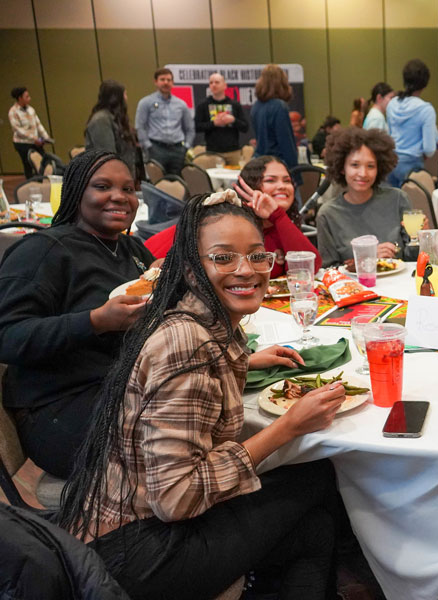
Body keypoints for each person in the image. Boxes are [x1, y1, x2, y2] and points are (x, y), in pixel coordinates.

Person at [55, 190, 346, 599]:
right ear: (191, 271)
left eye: (257, 255)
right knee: (316, 480)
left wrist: (245, 358)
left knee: (313, 514)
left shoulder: (205, 323)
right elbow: (176, 499)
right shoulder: (185, 346)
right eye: (223, 257)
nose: (247, 270)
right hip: (135, 551)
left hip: (133, 526)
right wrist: (286, 428)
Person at [0, 150, 155, 478]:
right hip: (60, 408)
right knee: (180, 443)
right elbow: (8, 337)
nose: (119, 197)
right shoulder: (43, 251)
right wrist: (96, 321)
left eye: (128, 189)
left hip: (125, 389)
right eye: (102, 186)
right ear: (75, 193)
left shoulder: (134, 250)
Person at [143, 155, 321, 276]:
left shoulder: (281, 224)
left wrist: (278, 216)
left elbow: (309, 268)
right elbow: (152, 251)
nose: (282, 186)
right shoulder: (230, 222)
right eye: (270, 180)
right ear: (249, 187)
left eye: (287, 180)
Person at [317, 127, 421, 267]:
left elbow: (413, 260)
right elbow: (328, 270)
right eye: (355, 165)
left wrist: (420, 238)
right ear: (342, 168)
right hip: (353, 287)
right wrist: (367, 258)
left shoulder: (398, 199)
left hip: (398, 283)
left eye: (370, 166)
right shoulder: (328, 214)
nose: (363, 173)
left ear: (379, 169)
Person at [386, 59, 438, 187]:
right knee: (411, 206)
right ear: (425, 84)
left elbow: (389, 135)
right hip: (412, 166)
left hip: (390, 163)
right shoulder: (426, 110)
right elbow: (429, 149)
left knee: (392, 204)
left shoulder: (391, 104)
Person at [135, 68, 194, 175]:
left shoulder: (181, 104)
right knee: (157, 184)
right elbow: (140, 126)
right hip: (156, 149)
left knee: (178, 184)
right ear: (156, 82)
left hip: (178, 150)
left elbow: (190, 128)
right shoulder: (146, 102)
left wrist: (186, 147)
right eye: (162, 79)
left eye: (169, 80)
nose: (166, 82)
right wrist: (148, 146)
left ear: (172, 83)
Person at [84, 80, 140, 178]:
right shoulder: (101, 120)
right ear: (116, 97)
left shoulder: (114, 118)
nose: (126, 98)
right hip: (111, 179)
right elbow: (108, 156)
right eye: (125, 94)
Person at [194, 72, 248, 165]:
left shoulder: (234, 104)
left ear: (225, 85)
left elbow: (245, 127)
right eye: (211, 83)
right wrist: (213, 123)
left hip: (233, 152)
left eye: (217, 82)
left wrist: (233, 120)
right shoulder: (203, 105)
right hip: (213, 152)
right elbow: (196, 127)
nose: (213, 85)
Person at [251, 64, 297, 167]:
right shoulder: (279, 107)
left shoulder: (256, 106)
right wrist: (295, 173)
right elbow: (286, 143)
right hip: (278, 163)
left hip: (260, 162)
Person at [8, 86, 52, 178]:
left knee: (44, 161)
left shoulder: (31, 109)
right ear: (20, 98)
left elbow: (38, 124)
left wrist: (46, 137)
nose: (29, 98)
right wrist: (33, 138)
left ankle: (42, 181)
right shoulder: (13, 111)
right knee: (28, 165)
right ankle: (31, 184)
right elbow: (18, 130)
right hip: (23, 143)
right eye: (26, 96)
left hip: (35, 142)